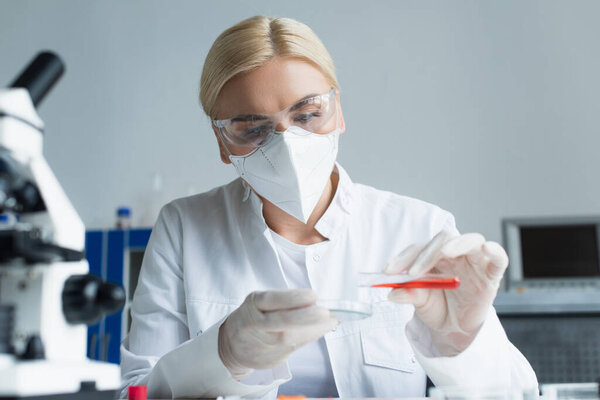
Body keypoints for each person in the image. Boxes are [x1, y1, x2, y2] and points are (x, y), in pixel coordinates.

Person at [120, 16, 538, 399]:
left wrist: (462, 342)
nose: (286, 145)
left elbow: (516, 395)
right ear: (222, 142)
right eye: (253, 130)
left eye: (307, 115)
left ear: (337, 112)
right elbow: (135, 392)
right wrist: (223, 352)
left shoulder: (420, 228)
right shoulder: (183, 228)